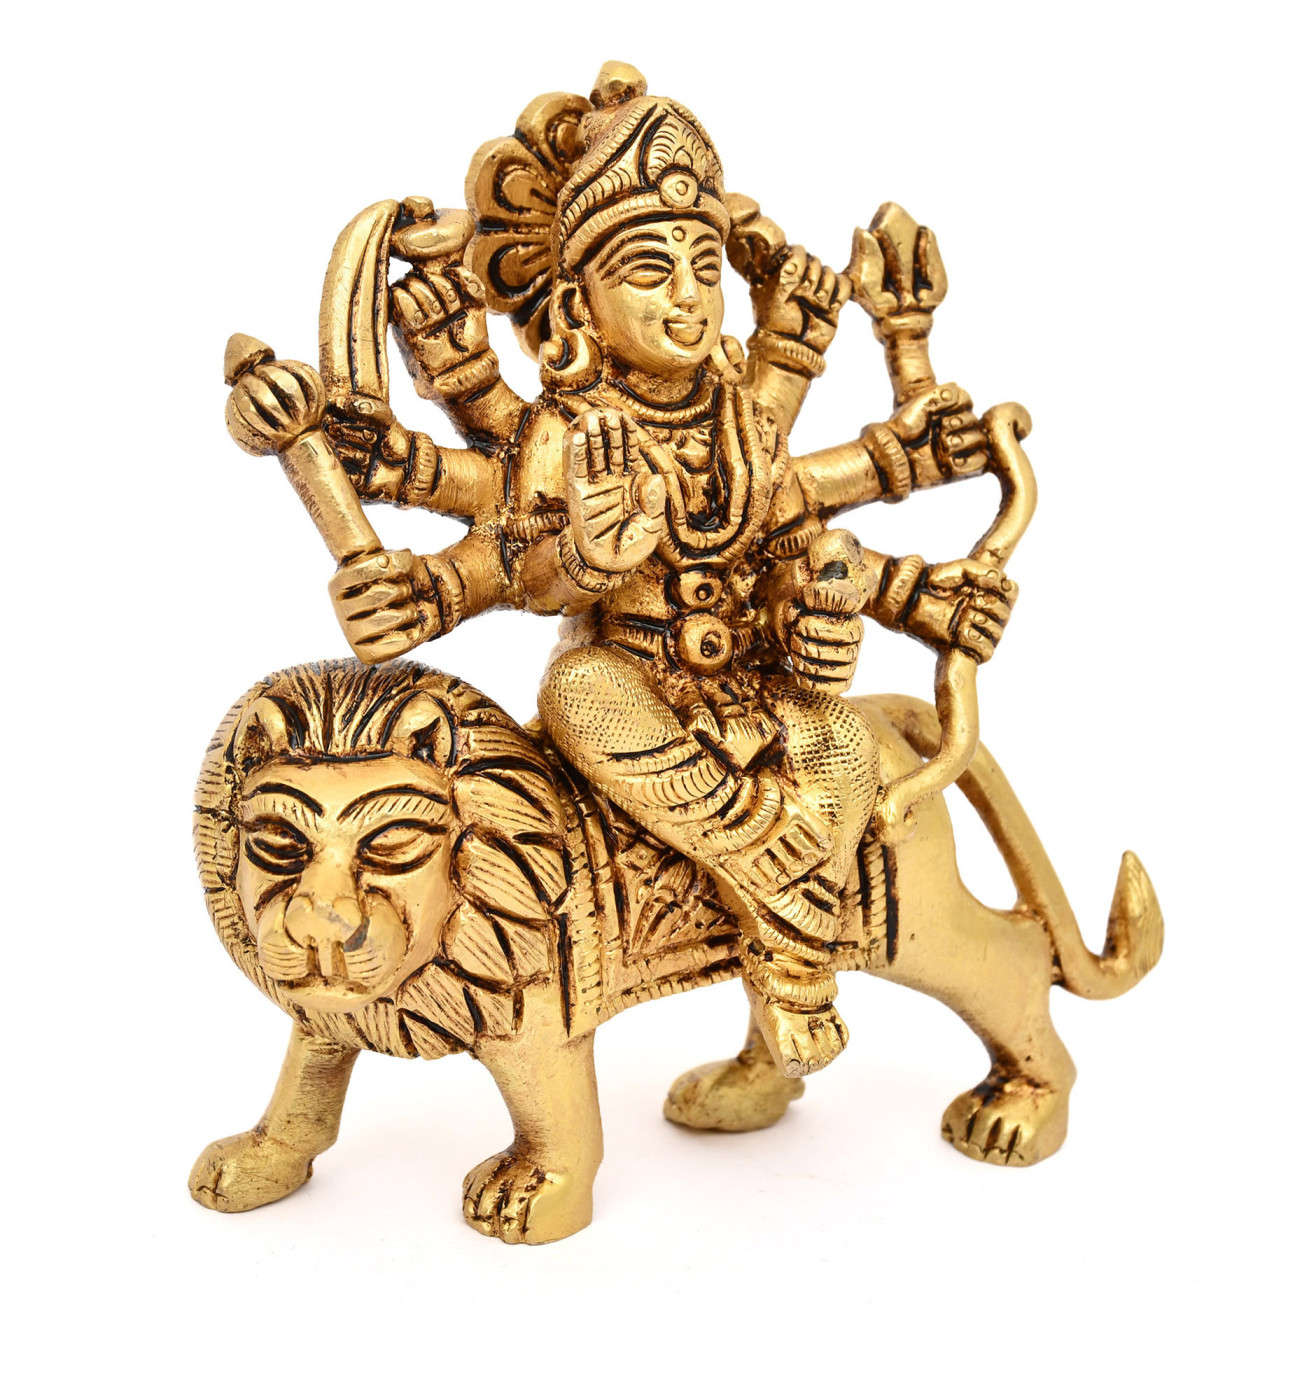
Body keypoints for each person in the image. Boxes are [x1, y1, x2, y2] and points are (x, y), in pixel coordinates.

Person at [323, 63, 1016, 1075]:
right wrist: (581, 556)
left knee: (839, 742)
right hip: (635, 691)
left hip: (758, 687)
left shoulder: (745, 421)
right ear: (578, 303)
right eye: (650, 271)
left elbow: (797, 547)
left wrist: (894, 596)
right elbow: (518, 567)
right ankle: (768, 866)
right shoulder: (565, 431)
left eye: (704, 268)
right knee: (578, 688)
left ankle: (789, 960)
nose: (688, 297)